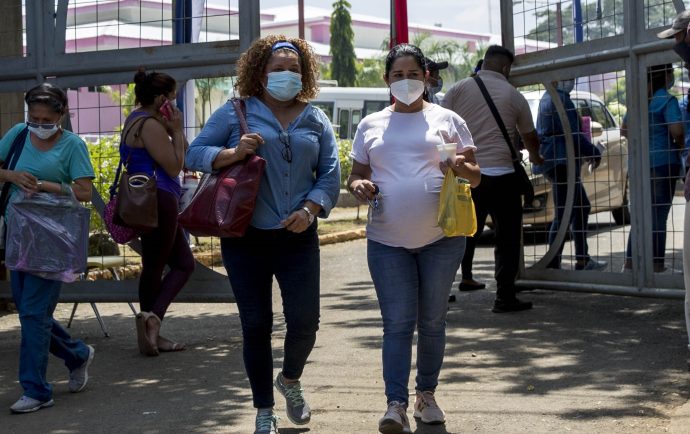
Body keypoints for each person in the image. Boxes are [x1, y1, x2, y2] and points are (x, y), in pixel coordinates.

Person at [185, 35, 340, 434]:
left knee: (305, 323)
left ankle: (289, 380)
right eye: (278, 68)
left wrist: (311, 209)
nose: (287, 74)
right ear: (260, 72)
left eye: (294, 68)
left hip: (298, 236)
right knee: (256, 325)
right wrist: (232, 153)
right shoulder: (237, 111)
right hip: (245, 237)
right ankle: (263, 410)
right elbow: (194, 152)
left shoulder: (315, 119)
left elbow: (329, 174)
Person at [348, 43, 480, 434]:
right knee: (397, 323)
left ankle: (426, 396)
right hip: (387, 241)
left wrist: (457, 164)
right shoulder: (371, 124)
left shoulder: (448, 119)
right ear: (386, 80)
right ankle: (396, 404)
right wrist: (359, 185)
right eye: (397, 75)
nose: (405, 81)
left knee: (433, 321)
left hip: (442, 238)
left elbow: (475, 176)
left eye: (412, 74)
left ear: (427, 77)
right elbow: (355, 174)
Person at [0, 84, 95, 413]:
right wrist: (11, 175)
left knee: (32, 313)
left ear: (62, 115)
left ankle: (37, 390)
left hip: (53, 241)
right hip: (18, 236)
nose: (38, 123)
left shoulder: (73, 145)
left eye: (45, 118)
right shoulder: (16, 135)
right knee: (31, 313)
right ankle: (77, 354)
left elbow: (84, 192)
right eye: (33, 117)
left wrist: (43, 185)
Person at [442, 45, 543, 312]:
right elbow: (530, 136)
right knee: (508, 238)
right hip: (504, 177)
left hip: (467, 176)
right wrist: (534, 156)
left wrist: (450, 163)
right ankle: (505, 296)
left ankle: (440, 294)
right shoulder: (514, 95)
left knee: (459, 234)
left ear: (484, 63)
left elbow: (439, 127)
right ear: (506, 68)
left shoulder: (458, 89)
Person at [123, 70, 194, 356]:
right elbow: (175, 167)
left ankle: (151, 328)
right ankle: (152, 325)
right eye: (173, 98)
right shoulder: (149, 125)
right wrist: (175, 129)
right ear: (161, 98)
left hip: (151, 200)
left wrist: (173, 127)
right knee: (163, 265)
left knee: (176, 263)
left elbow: (185, 151)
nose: (175, 105)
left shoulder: (137, 119)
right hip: (158, 199)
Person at [534, 79, 606, 271]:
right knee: (564, 214)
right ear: (556, 79)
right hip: (561, 163)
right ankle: (553, 261)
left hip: (559, 162)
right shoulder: (559, 100)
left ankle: (581, 258)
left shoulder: (549, 98)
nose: (571, 82)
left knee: (580, 207)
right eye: (568, 78)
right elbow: (572, 134)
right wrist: (592, 151)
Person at [621, 64, 684, 273]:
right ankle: (657, 265)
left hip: (639, 165)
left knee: (640, 214)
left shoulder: (638, 101)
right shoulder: (667, 100)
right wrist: (678, 143)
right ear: (664, 75)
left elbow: (624, 130)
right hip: (663, 163)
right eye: (671, 73)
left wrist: (644, 141)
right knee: (658, 216)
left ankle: (630, 264)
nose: (672, 76)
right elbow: (677, 130)